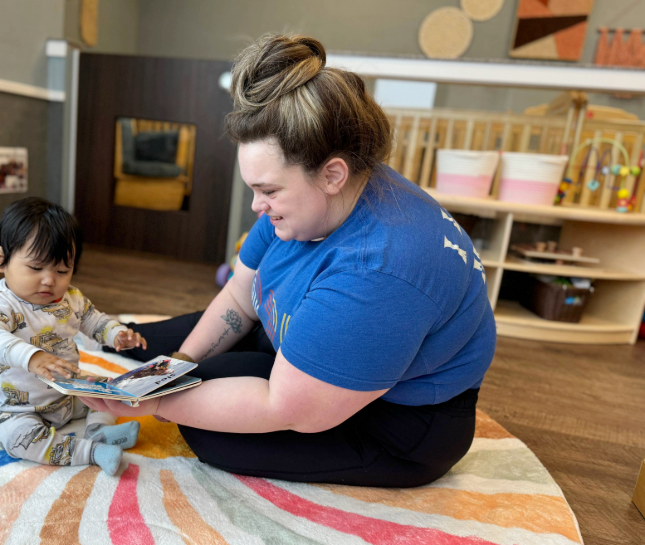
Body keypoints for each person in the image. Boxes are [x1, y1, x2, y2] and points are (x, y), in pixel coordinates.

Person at [79, 34, 496, 487]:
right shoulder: (311, 196)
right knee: (165, 358)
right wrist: (175, 365)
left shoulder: (377, 271)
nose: (258, 206)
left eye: (269, 191)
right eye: (255, 188)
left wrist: (156, 404)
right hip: (314, 334)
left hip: (401, 424)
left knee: (210, 433)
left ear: (332, 174)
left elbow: (289, 409)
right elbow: (240, 293)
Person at [0, 197, 147, 475]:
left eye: (62, 270)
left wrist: (116, 334)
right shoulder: (0, 304)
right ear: (1, 259)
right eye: (36, 268)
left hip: (67, 396)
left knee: (110, 390)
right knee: (21, 440)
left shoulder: (70, 299)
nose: (49, 280)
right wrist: (32, 357)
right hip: (13, 409)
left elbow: (94, 320)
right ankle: (92, 452)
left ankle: (99, 430)